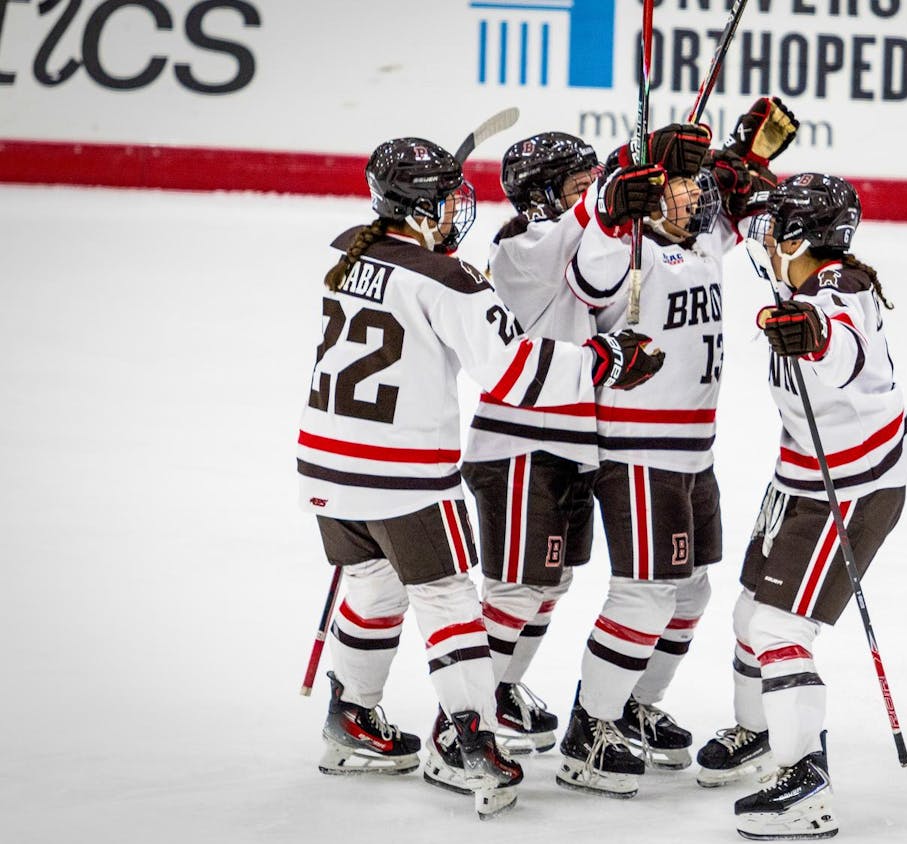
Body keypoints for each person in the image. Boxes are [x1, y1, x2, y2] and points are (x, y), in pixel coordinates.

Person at [298, 136, 662, 817]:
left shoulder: (347, 254)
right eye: (445, 198)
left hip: (326, 464)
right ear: (425, 203)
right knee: (447, 601)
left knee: (374, 588)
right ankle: (470, 739)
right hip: (402, 475)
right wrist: (604, 362)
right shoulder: (448, 278)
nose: (456, 210)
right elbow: (513, 372)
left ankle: (350, 717)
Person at [553, 98, 801, 799]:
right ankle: (588, 730)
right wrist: (616, 199)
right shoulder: (622, 244)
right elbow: (589, 275)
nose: (697, 194)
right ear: (644, 192)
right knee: (646, 593)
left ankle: (630, 703)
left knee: (690, 590)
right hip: (635, 451)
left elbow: (753, 209)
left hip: (693, 454)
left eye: (695, 185)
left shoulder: (701, 239)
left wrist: (746, 160)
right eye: (679, 184)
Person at [701, 173, 907, 841]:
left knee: (777, 628)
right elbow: (725, 236)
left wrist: (814, 338)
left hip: (848, 488)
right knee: (749, 614)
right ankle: (760, 732)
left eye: (776, 225)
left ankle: (806, 783)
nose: (763, 235)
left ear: (799, 235)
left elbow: (845, 345)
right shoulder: (801, 275)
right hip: (800, 475)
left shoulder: (837, 292)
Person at [449, 132, 604, 759]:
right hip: (518, 448)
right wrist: (624, 176)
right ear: (541, 196)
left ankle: (500, 688)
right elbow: (598, 218)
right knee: (515, 590)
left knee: (551, 581)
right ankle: (459, 720)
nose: (590, 195)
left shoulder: (562, 234)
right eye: (578, 186)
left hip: (567, 443)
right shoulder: (523, 244)